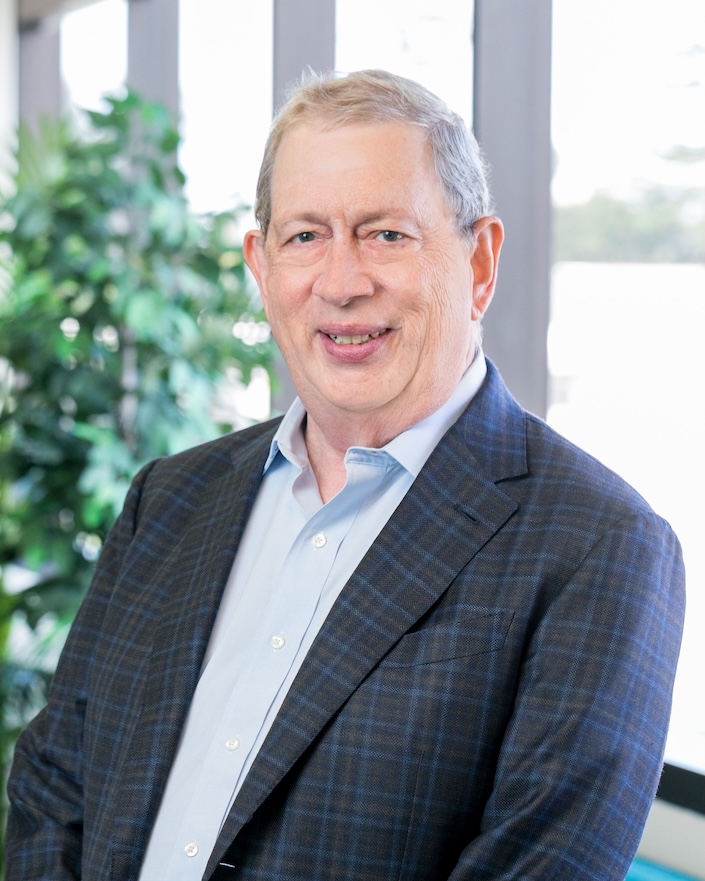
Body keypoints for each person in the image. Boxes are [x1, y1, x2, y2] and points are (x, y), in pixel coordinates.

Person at [6, 69, 685, 881]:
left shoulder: (598, 547)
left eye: (386, 233)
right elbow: (53, 787)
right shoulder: (170, 497)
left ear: (478, 262)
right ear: (261, 266)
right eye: (304, 236)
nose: (340, 281)